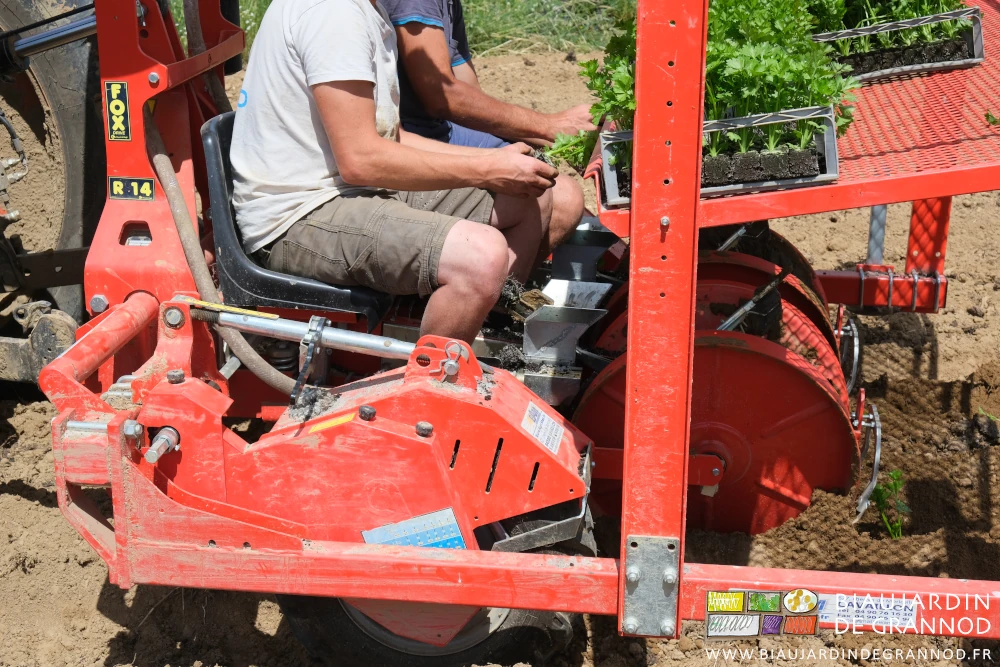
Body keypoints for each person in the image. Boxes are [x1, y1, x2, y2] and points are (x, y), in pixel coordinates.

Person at [231, 0, 561, 345]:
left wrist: (500, 160)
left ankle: (479, 328)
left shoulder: (368, 10)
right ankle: (432, 383)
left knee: (529, 198)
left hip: (350, 188)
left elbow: (392, 136)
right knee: (481, 256)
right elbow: (360, 159)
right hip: (298, 213)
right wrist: (485, 168)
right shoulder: (332, 13)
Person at [380, 0, 596, 258]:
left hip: (442, 129)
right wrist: (549, 126)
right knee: (561, 198)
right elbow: (443, 96)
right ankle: (472, 288)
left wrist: (549, 137)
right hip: (412, 141)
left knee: (549, 181)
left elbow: (469, 96)